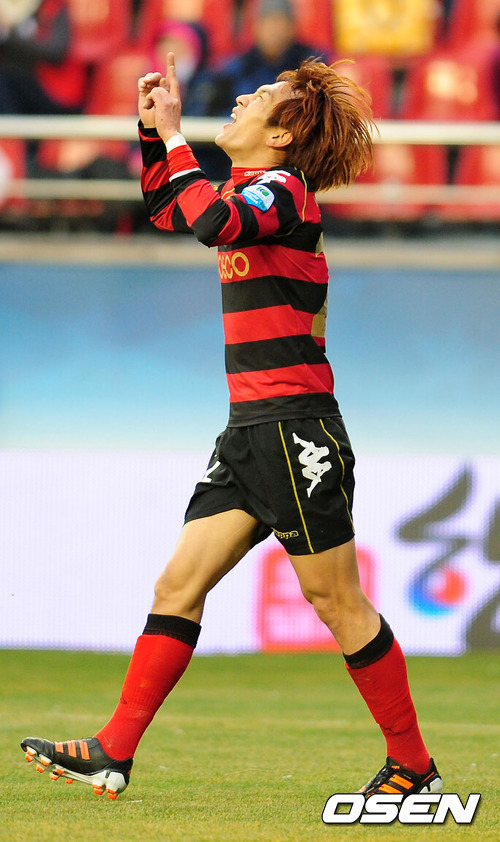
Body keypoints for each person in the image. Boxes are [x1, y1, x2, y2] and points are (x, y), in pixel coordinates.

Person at [21, 52, 442, 803]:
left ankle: (413, 767)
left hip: (294, 427)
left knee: (336, 602)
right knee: (178, 583)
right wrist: (154, 133)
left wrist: (176, 137)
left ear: (281, 137)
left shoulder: (284, 191)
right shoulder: (253, 190)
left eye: (263, 97)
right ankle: (114, 750)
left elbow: (211, 222)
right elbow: (171, 208)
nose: (243, 98)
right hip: (250, 428)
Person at [0, 0, 86, 115]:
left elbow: (56, 53)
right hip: (26, 86)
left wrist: (8, 37)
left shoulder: (55, 5)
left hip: (56, 93)